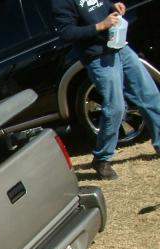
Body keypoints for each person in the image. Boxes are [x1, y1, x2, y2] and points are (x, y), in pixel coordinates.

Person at [53, 0, 160, 180]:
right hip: (98, 56)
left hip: (120, 46)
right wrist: (101, 25)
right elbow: (66, 32)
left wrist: (114, 6)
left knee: (149, 95)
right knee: (116, 108)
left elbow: (102, 5)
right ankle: (102, 158)